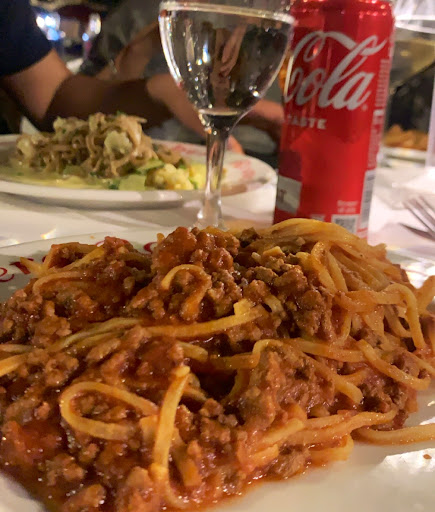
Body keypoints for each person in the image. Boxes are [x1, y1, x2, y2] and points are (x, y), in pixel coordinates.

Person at [0, 0, 283, 158]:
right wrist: (139, 52)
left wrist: (160, 90)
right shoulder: (136, 13)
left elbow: (53, 98)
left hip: (257, 166)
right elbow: (72, 122)